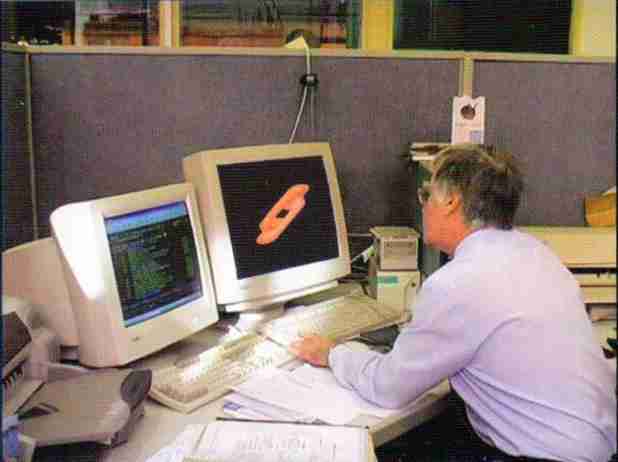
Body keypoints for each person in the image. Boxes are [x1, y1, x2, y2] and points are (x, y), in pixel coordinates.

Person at [290, 144, 617, 462]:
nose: (424, 206)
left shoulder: (459, 282)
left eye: (426, 195)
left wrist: (331, 353)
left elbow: (388, 387)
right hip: (596, 446)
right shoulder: (538, 254)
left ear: (450, 202)